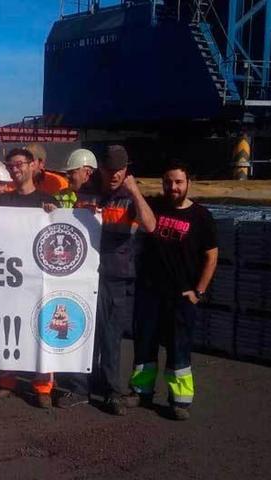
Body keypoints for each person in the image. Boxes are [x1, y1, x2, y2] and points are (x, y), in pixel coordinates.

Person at [125, 160, 218, 420]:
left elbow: (211, 257)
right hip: (150, 291)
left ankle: (180, 401)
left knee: (179, 349)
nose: (173, 187)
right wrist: (134, 191)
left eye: (178, 182)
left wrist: (198, 291)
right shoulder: (154, 206)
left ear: (188, 183)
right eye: (168, 182)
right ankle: (141, 390)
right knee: (144, 345)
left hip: (182, 295)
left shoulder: (201, 217)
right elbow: (149, 226)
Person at [74, 144, 157, 416]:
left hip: (117, 275)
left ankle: (112, 391)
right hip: (85, 274)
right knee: (85, 331)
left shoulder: (129, 195)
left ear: (126, 170)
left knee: (111, 336)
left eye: (120, 170)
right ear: (101, 169)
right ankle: (80, 387)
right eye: (110, 169)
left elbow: (150, 226)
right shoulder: (87, 191)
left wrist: (135, 191)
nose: (115, 175)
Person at [0, 148, 60, 409]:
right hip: (9, 277)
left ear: (32, 166)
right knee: (7, 328)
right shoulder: (2, 202)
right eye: (11, 165)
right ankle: (6, 381)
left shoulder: (49, 201)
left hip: (38, 279)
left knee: (41, 328)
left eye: (19, 164)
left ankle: (43, 385)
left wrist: (55, 215)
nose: (15, 169)